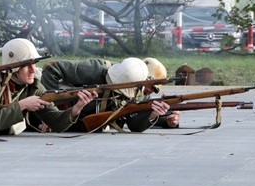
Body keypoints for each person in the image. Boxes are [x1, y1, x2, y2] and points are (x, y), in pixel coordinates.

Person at [0, 38, 96, 134]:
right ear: (13, 68)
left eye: (34, 64)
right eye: (26, 65)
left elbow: (56, 123)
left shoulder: (34, 85)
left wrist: (76, 108)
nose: (32, 70)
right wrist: (22, 105)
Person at [40, 56, 179, 132]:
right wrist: (54, 114)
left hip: (78, 125)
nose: (148, 91)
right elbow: (52, 68)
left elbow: (132, 123)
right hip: (52, 115)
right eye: (150, 86)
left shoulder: (137, 91)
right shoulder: (93, 70)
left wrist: (158, 116)